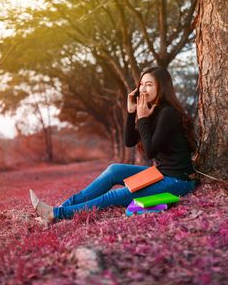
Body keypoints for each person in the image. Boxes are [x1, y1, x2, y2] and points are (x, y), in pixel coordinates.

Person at [30, 67, 196, 224]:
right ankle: (61, 207)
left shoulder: (168, 113)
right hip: (160, 174)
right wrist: (131, 113)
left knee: (116, 195)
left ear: (162, 88)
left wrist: (143, 118)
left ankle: (55, 214)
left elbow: (150, 152)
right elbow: (129, 142)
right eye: (142, 84)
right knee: (114, 170)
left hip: (177, 181)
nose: (143, 89)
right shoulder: (153, 111)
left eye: (149, 85)